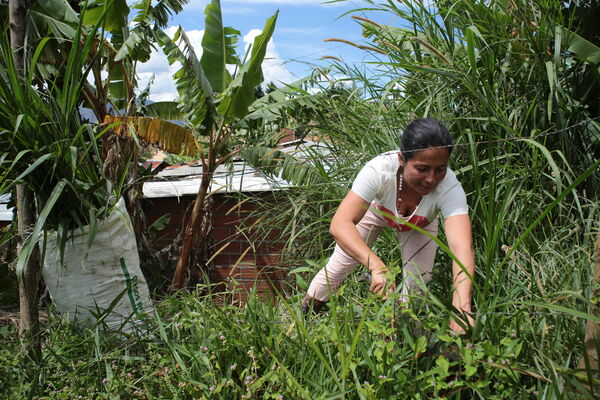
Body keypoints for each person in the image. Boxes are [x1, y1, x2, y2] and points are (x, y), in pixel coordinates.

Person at [302, 117, 475, 333]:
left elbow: (461, 247)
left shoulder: (449, 186)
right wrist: (376, 266)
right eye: (422, 169)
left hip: (420, 223)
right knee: (338, 267)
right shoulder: (379, 170)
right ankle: (305, 323)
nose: (431, 179)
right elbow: (340, 224)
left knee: (418, 282)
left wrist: (462, 308)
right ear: (402, 159)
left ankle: (401, 337)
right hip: (377, 212)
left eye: (440, 169)